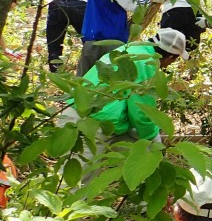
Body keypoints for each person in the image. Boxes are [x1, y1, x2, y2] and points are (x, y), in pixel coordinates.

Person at [61, 29, 189, 156]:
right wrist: (154, 138)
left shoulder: (132, 49)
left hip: (81, 110)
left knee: (139, 157)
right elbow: (141, 111)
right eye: (175, 60)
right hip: (90, 122)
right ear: (171, 57)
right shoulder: (146, 63)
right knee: (83, 176)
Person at [76, 0, 138, 76]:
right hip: (113, 42)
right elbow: (133, 5)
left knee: (84, 83)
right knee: (114, 84)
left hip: (91, 41)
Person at [45, 0, 89, 72]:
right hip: (79, 3)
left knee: (54, 45)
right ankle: (90, 70)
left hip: (56, 4)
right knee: (89, 41)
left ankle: (56, 75)